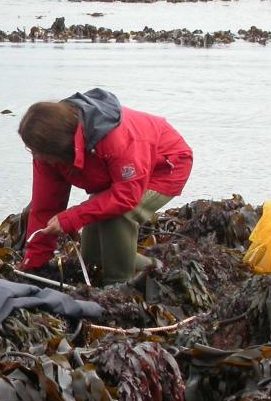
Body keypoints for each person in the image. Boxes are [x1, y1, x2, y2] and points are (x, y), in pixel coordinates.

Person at [18, 88, 193, 285]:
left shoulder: (114, 138)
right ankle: (154, 267)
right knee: (94, 257)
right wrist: (33, 262)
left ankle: (118, 285)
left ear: (58, 145)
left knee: (119, 217)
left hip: (165, 166)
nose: (36, 157)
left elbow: (126, 196)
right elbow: (45, 207)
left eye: (38, 152)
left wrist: (71, 218)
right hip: (117, 175)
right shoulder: (45, 154)